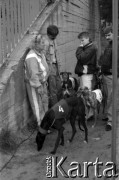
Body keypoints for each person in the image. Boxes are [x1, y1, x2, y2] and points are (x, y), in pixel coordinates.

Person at [24, 34, 50, 128]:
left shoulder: (39, 53)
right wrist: (38, 86)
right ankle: (41, 126)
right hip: (35, 85)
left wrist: (45, 79)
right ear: (36, 44)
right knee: (37, 105)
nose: (44, 45)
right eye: (42, 43)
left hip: (42, 83)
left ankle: (46, 123)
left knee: (44, 103)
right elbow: (33, 74)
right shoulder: (31, 57)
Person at [99, 26, 119, 131]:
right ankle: (108, 115)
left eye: (108, 35)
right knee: (108, 97)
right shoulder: (110, 44)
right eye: (105, 35)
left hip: (113, 75)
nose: (106, 37)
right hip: (106, 75)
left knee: (112, 98)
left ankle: (110, 121)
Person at [45, 25, 62, 108]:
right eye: (53, 36)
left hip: (56, 66)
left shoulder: (54, 40)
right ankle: (55, 110)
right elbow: (43, 58)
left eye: (56, 36)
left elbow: (57, 54)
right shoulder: (45, 43)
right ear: (48, 34)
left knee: (59, 87)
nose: (55, 37)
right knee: (53, 90)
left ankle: (58, 107)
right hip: (50, 67)